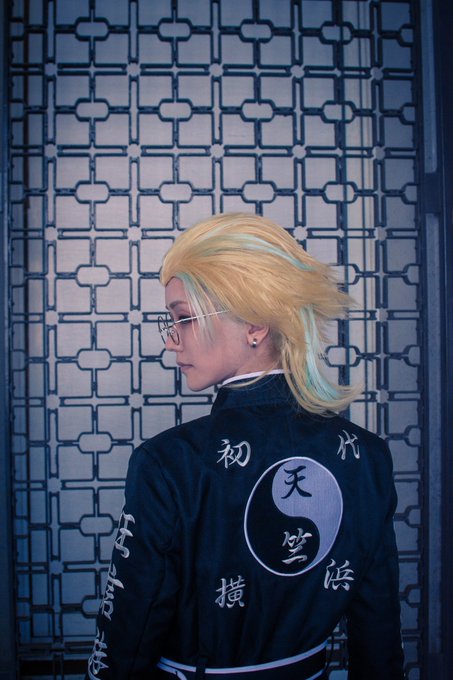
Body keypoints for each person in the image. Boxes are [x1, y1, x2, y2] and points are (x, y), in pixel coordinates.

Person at [87, 213, 405, 679]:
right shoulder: (367, 456)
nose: (172, 341)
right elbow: (379, 639)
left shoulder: (167, 463)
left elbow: (126, 637)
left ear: (255, 325)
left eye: (183, 318)